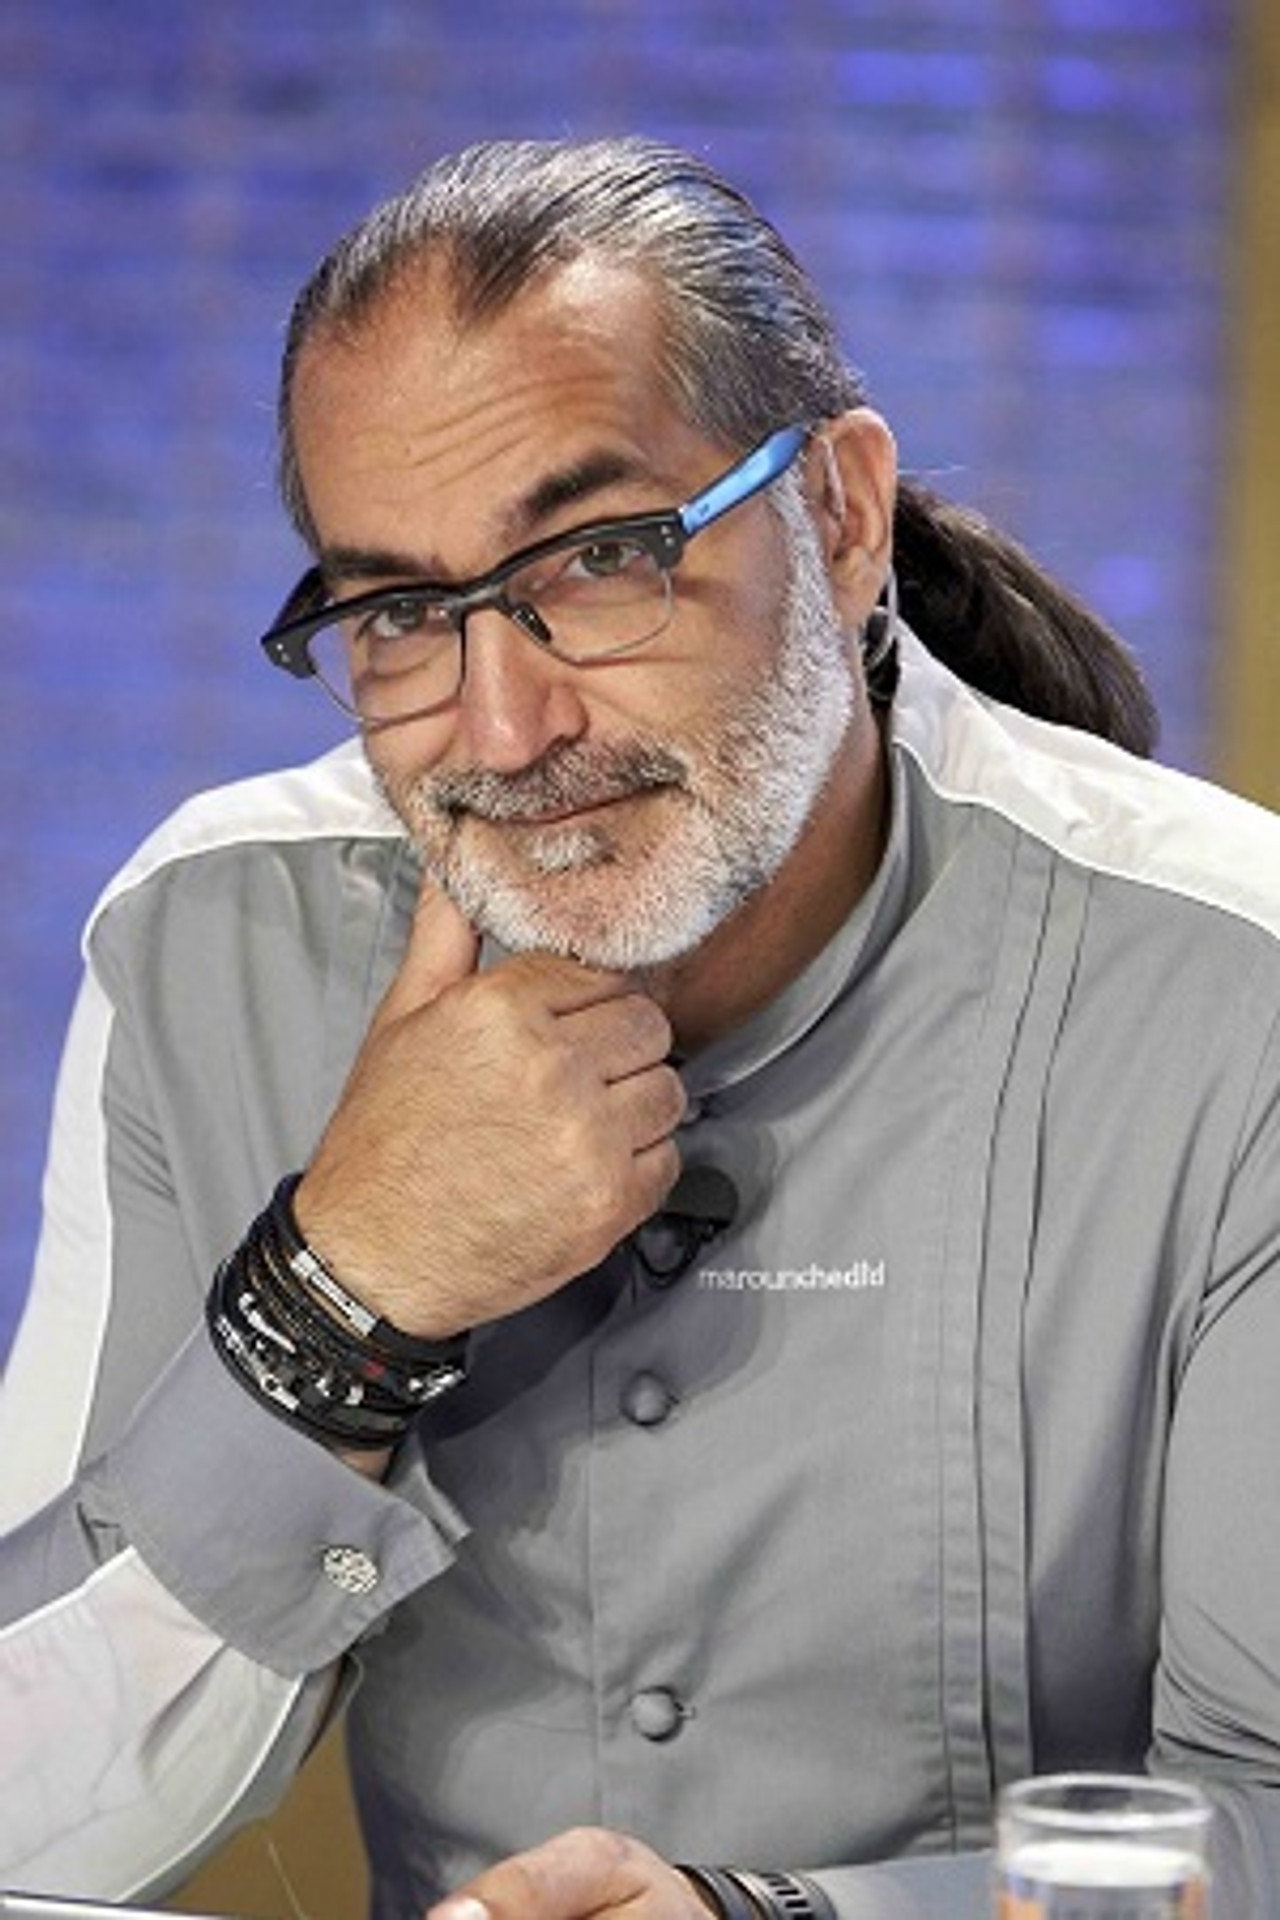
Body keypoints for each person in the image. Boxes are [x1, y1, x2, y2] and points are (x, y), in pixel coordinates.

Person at [1, 134, 1278, 1920]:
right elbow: (27, 1821)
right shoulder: (208, 948)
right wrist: (343, 1293)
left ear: (839, 515)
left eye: (601, 559)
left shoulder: (1232, 993)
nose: (505, 730)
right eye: (400, 614)